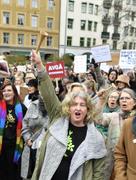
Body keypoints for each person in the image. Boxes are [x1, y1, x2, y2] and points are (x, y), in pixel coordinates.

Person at [30, 50, 107, 180]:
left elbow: (98, 175)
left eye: (82, 105)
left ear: (88, 109)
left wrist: (101, 101)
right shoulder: (58, 117)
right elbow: (48, 93)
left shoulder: (96, 138)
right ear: (68, 107)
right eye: (74, 104)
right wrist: (39, 65)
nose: (78, 108)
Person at [97, 88, 136, 180]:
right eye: (121, 98)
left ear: (135, 102)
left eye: (127, 98)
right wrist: (101, 100)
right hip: (114, 161)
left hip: (134, 163)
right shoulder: (115, 116)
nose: (124, 100)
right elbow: (98, 119)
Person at [0, 81, 27, 180]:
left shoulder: (22, 108)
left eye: (9, 90)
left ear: (14, 92)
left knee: (13, 174)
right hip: (1, 147)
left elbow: (28, 126)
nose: (6, 92)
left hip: (15, 147)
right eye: (4, 90)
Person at [21, 96, 49, 179]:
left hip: (45, 148)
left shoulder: (56, 108)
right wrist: (27, 139)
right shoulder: (33, 105)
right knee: (27, 174)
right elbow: (25, 123)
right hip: (30, 145)